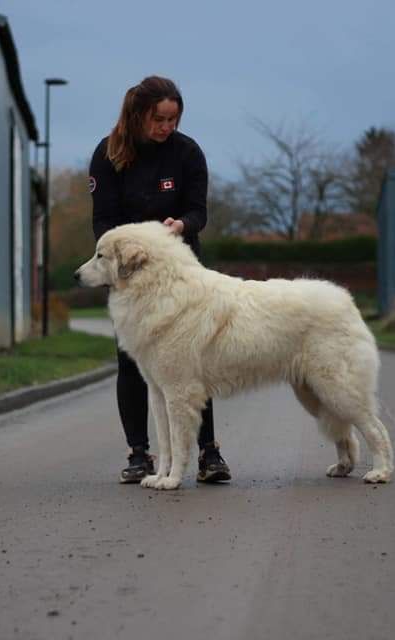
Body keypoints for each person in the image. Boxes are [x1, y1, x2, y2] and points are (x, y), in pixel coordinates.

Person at [89, 75, 232, 485]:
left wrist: (182, 224)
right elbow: (102, 219)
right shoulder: (109, 154)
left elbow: (198, 210)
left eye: (173, 119)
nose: (166, 127)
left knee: (191, 365)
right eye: (159, 119)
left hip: (181, 272)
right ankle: (139, 453)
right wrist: (124, 247)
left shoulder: (187, 153)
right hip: (129, 273)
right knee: (132, 363)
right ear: (138, 116)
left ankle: (208, 453)